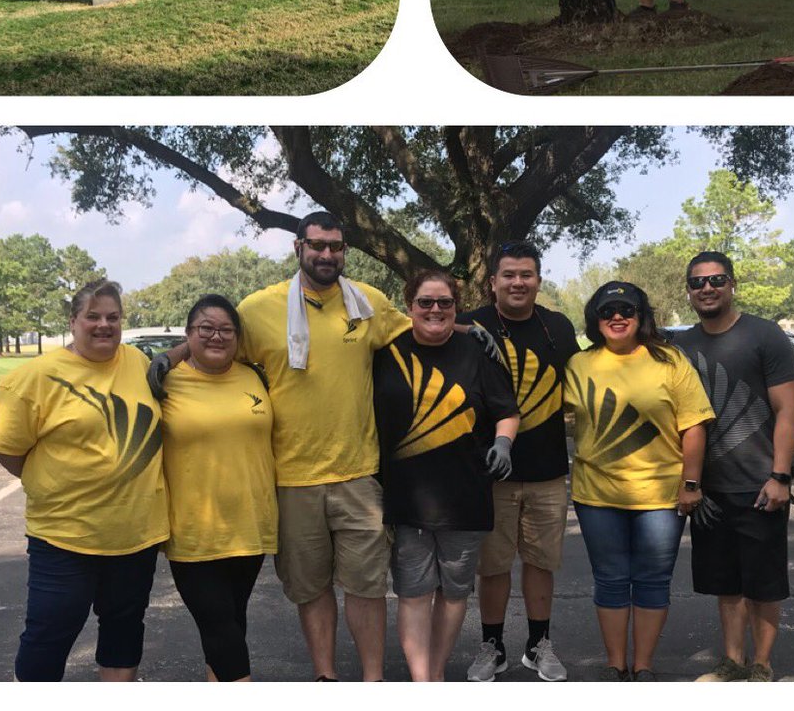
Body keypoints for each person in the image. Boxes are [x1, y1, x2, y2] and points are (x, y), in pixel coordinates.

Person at [148, 210, 499, 681]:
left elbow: (423, 322)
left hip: (358, 474)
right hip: (291, 479)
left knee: (366, 587)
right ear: (298, 248)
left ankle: (371, 680)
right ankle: (325, 678)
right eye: (317, 245)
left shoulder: (366, 302)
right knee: (311, 589)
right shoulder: (258, 308)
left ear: (344, 251)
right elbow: (216, 335)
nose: (327, 254)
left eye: (335, 246)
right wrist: (171, 355)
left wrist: (470, 330)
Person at [0, 281, 168, 682]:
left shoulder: (137, 361)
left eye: (113, 317)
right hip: (64, 537)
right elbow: (7, 449)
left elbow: (174, 356)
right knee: (48, 638)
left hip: (135, 536)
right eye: (93, 316)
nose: (104, 325)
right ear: (73, 322)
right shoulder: (32, 378)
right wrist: (54, 482)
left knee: (123, 636)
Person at [373, 271, 521, 681]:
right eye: (425, 302)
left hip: (466, 496)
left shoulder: (477, 351)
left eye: (445, 303)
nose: (435, 310)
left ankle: (436, 674)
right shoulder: (385, 351)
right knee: (414, 593)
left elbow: (506, 411)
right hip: (406, 498)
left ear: (456, 307)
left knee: (454, 593)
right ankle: (424, 682)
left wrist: (504, 442)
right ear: (409, 307)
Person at [564, 280, 713, 682]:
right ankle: (616, 665)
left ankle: (643, 665)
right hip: (597, 494)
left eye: (626, 310)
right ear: (596, 319)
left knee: (651, 581)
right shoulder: (578, 364)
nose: (617, 317)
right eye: (608, 311)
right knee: (610, 580)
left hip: (661, 497)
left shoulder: (669, 361)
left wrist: (691, 484)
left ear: (640, 317)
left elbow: (694, 425)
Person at [674, 251, 794, 683]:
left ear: (732, 284)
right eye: (697, 283)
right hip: (708, 490)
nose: (706, 288)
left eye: (716, 280)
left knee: (763, 584)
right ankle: (732, 660)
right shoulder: (682, 346)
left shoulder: (765, 335)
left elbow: (787, 411)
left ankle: (762, 665)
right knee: (725, 583)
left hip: (760, 484)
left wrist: (780, 476)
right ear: (689, 291)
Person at [457, 242, 579, 683]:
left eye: (526, 274)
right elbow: (423, 330)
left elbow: (581, 382)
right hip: (490, 473)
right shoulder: (469, 322)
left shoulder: (559, 328)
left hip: (547, 470)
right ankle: (492, 646)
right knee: (492, 566)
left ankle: (538, 644)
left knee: (541, 562)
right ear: (492, 282)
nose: (517, 283)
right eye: (508, 274)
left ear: (538, 281)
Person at [160, 294, 277, 682]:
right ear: (188, 333)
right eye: (205, 328)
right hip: (193, 532)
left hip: (250, 526)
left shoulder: (254, 375)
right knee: (221, 630)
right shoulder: (163, 382)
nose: (216, 336)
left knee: (231, 625)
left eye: (226, 329)